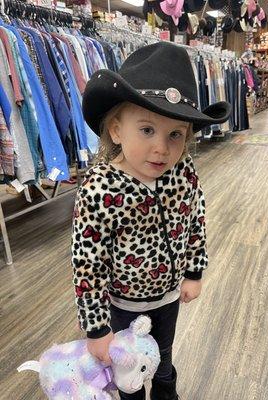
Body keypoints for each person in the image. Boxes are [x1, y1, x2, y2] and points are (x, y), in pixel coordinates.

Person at [72, 42, 231, 400]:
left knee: (163, 360)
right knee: (128, 371)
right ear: (115, 130)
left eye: (175, 134)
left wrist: (193, 272)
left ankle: (166, 394)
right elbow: (87, 263)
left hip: (169, 297)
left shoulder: (183, 172)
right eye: (147, 130)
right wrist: (97, 327)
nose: (162, 148)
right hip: (122, 305)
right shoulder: (99, 189)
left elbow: (195, 221)